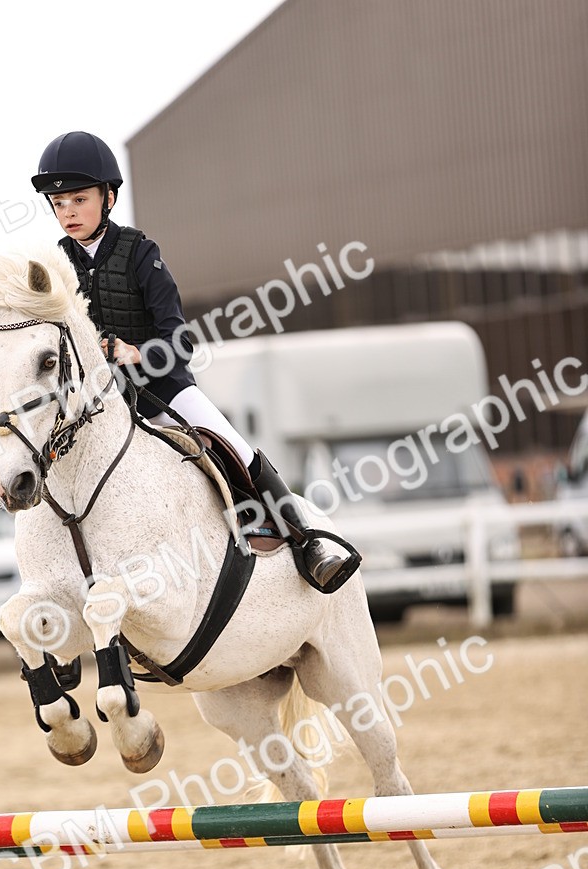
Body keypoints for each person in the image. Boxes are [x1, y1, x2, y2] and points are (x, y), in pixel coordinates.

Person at [31, 130, 360, 593]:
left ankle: (309, 543)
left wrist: (135, 353)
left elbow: (179, 341)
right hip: (98, 400)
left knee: (235, 446)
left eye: (79, 200)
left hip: (161, 389)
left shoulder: (140, 253)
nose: (67, 212)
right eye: (58, 203)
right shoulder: (53, 267)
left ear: (109, 198)